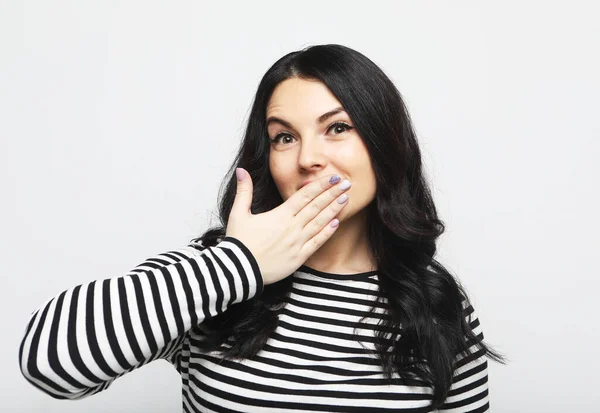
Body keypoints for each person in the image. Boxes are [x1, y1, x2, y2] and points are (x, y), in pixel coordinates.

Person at [19, 44, 507, 412]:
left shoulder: (436, 302)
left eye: (337, 127)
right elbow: (47, 364)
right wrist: (241, 263)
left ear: (384, 142)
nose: (309, 159)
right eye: (284, 137)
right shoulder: (216, 271)